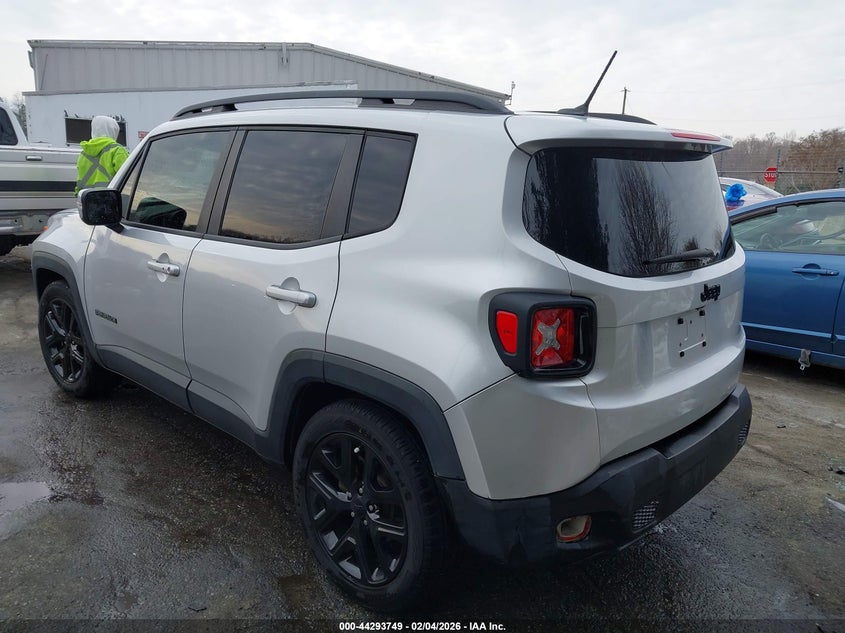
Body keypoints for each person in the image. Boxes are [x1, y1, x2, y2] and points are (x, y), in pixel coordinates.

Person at [75, 116, 129, 193]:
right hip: (110, 199)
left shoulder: (83, 153)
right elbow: (128, 179)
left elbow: (80, 179)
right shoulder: (117, 150)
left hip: (87, 199)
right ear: (113, 130)